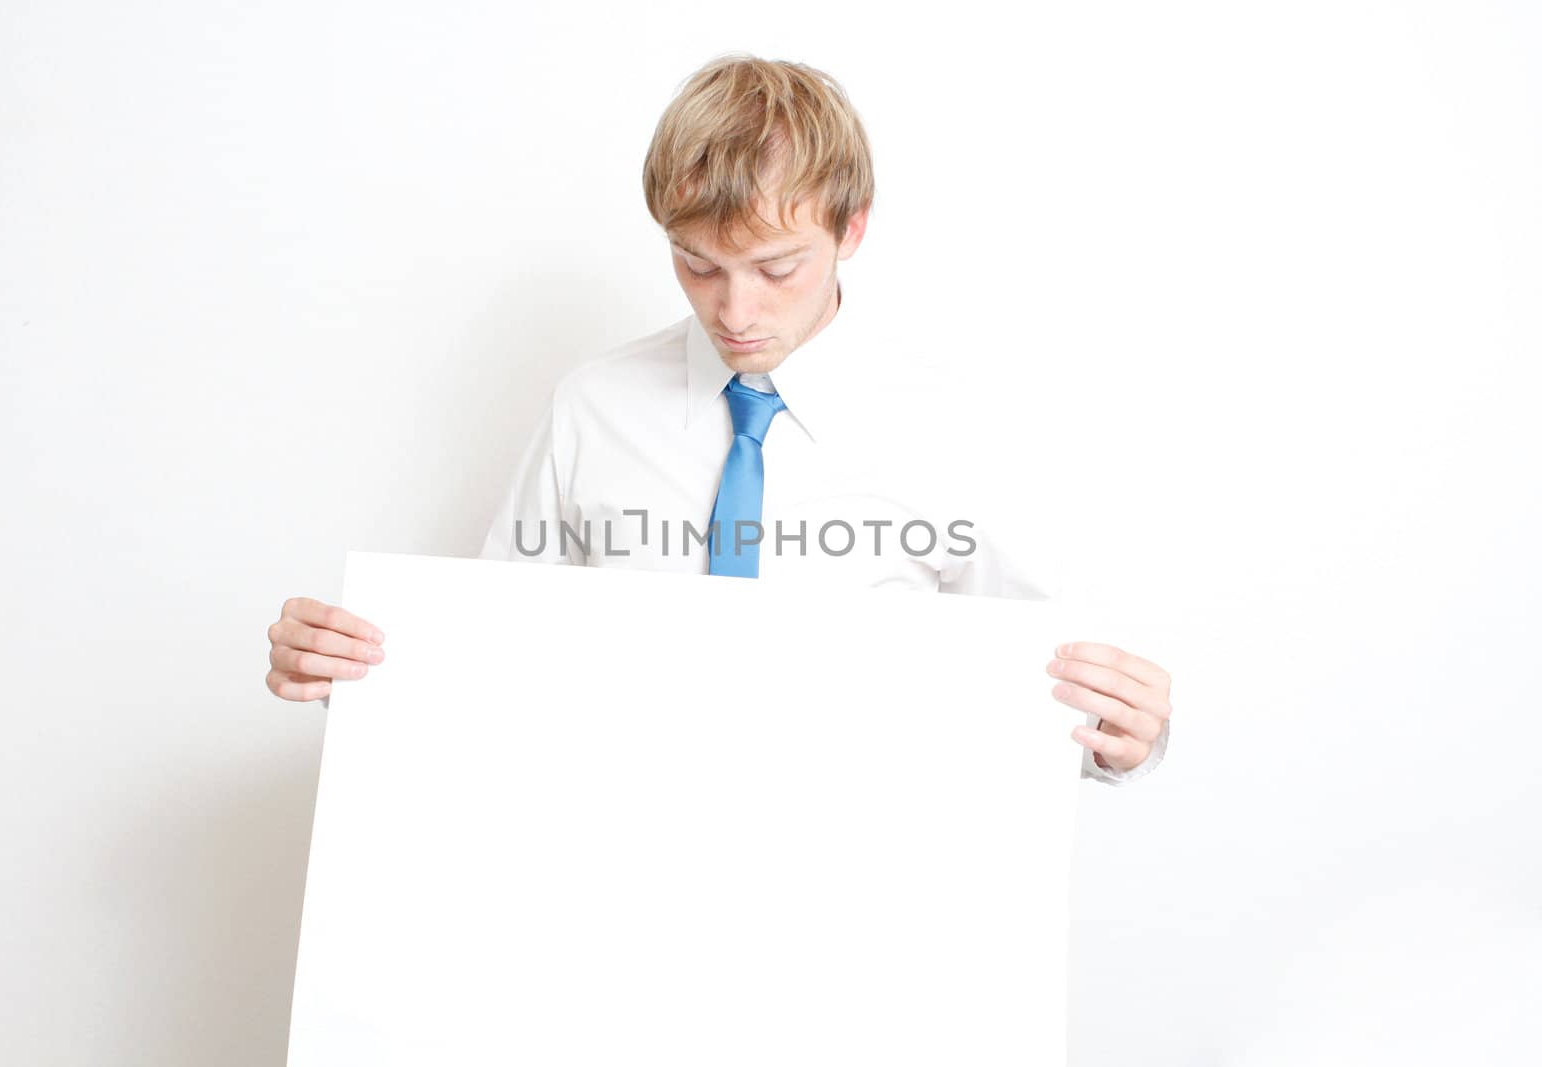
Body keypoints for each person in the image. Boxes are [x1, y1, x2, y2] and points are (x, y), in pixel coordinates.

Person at [265, 54, 1172, 784]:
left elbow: (1037, 694)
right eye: (697, 264)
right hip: (612, 880)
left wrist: (1124, 737)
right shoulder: (594, 407)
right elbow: (489, 671)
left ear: (851, 228)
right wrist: (347, 675)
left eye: (776, 269)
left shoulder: (950, 431)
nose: (734, 310)